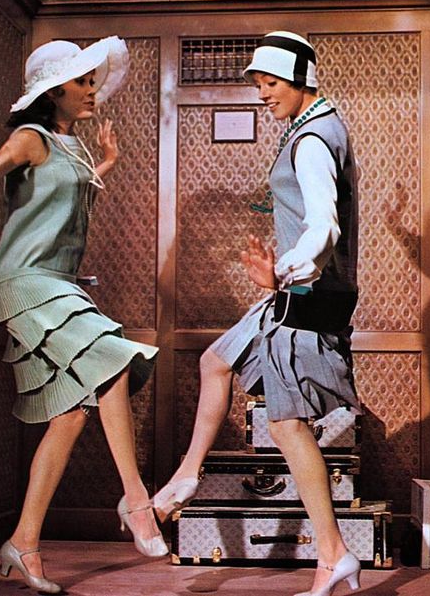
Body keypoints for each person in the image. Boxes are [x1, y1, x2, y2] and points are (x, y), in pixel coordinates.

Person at [0, 37, 167, 595]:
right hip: (24, 283)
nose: (92, 89)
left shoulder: (73, 147)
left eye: (92, 79)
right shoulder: (29, 138)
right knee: (113, 359)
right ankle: (136, 500)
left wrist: (104, 166)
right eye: (81, 81)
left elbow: (65, 201)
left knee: (73, 413)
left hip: (59, 284)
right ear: (53, 91)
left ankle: (23, 542)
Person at [153, 31, 362, 596]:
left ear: (301, 80)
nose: (263, 94)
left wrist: (290, 267)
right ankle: (188, 474)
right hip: (296, 291)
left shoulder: (313, 139)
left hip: (310, 296)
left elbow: (324, 225)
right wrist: (280, 277)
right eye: (259, 84)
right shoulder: (310, 128)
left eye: (271, 83)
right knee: (215, 361)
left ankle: (334, 555)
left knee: (287, 426)